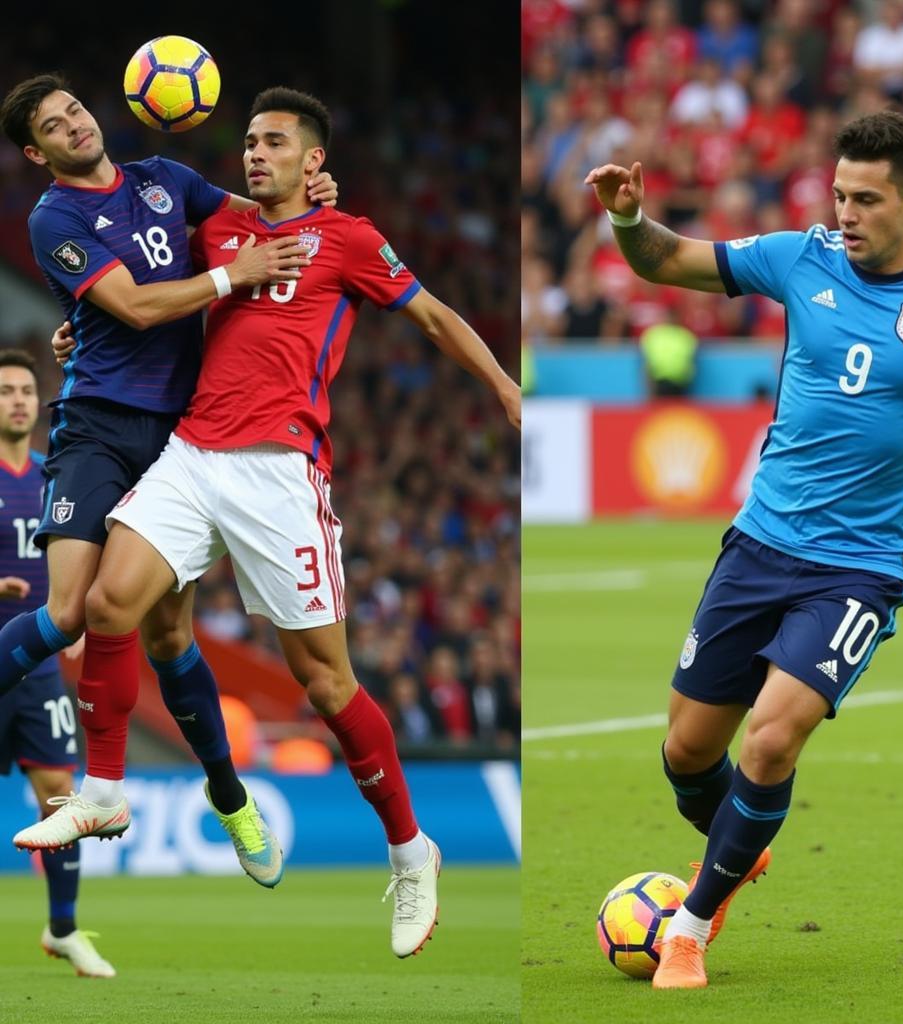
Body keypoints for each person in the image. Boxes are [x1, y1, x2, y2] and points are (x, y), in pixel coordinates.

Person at [21, 86, 522, 959]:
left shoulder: (352, 239)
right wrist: (76, 331)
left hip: (280, 472)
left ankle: (411, 851)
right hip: (191, 452)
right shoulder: (216, 231)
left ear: (313, 161)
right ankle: (103, 788)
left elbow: (436, 315)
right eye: (249, 141)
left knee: (326, 684)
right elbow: (136, 293)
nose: (255, 154)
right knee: (106, 606)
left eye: (275, 142)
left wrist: (508, 389)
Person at [584, 110, 903, 990]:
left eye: (865, 199)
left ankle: (692, 929)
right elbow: (669, 261)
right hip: (759, 544)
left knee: (773, 740)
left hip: (865, 564)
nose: (846, 213)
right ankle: (739, 849)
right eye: (838, 194)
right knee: (686, 753)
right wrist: (630, 219)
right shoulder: (801, 258)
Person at [0, 73, 338, 887]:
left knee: (168, 637)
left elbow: (254, 220)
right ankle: (114, 789)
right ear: (35, 151)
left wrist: (311, 188)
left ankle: (230, 798)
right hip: (97, 427)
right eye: (55, 125)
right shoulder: (56, 218)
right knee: (70, 608)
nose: (75, 125)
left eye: (75, 109)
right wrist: (234, 277)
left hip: (183, 435)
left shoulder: (165, 180)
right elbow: (142, 307)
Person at [0, 349, 113, 977]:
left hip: (38, 670)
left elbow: (83, 564)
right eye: (5, 391)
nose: (17, 399)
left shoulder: (55, 474)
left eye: (24, 390)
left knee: (59, 800)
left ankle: (64, 927)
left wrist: (77, 622)